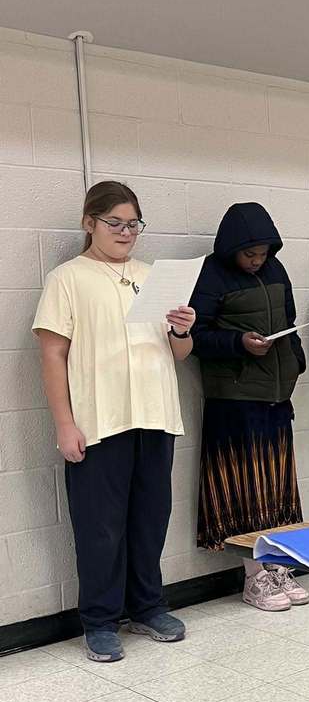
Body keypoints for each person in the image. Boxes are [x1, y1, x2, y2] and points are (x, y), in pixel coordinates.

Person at [32, 181, 194, 663]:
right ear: (90, 223)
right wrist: (64, 424)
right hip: (100, 422)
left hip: (155, 416)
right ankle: (100, 621)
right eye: (115, 223)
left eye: (134, 224)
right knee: (99, 527)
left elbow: (179, 353)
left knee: (151, 518)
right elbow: (52, 355)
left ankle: (147, 607)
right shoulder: (67, 278)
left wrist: (182, 330)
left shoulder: (153, 276)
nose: (126, 232)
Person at [189, 203, 309, 613]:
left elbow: (290, 319)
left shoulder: (276, 270)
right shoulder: (210, 274)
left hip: (276, 395)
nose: (257, 261)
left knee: (276, 487)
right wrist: (239, 343)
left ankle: (276, 566)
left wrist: (295, 360)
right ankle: (253, 576)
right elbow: (196, 337)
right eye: (249, 254)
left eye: (263, 253)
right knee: (244, 488)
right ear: (230, 249)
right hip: (234, 398)